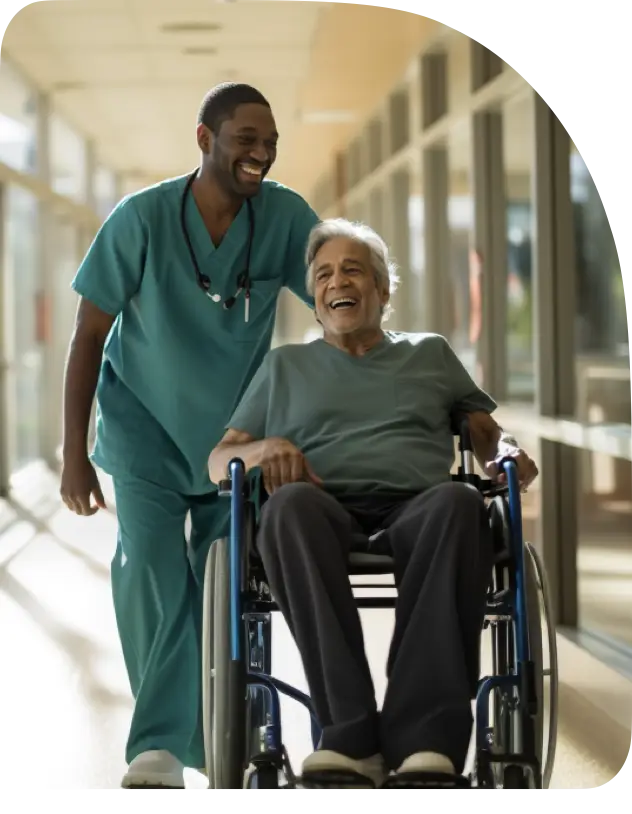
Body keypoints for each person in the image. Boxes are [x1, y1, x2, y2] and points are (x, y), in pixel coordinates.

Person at [209, 218, 539, 792]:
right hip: (319, 505)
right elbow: (219, 461)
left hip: (418, 505)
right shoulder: (285, 365)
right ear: (315, 298)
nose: (337, 282)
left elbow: (486, 433)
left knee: (460, 504)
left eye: (353, 270)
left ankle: (426, 741)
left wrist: (506, 452)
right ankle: (350, 738)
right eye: (323, 275)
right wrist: (265, 449)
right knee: (286, 510)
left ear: (383, 290)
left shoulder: (429, 354)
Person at [60, 83, 320, 790]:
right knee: (150, 571)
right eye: (246, 139)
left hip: (235, 438)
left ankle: (220, 735)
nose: (261, 152)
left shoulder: (284, 217)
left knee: (223, 583)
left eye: (270, 142)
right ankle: (158, 747)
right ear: (205, 139)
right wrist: (75, 454)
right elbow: (88, 334)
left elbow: (336, 294)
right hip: (142, 426)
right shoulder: (141, 217)